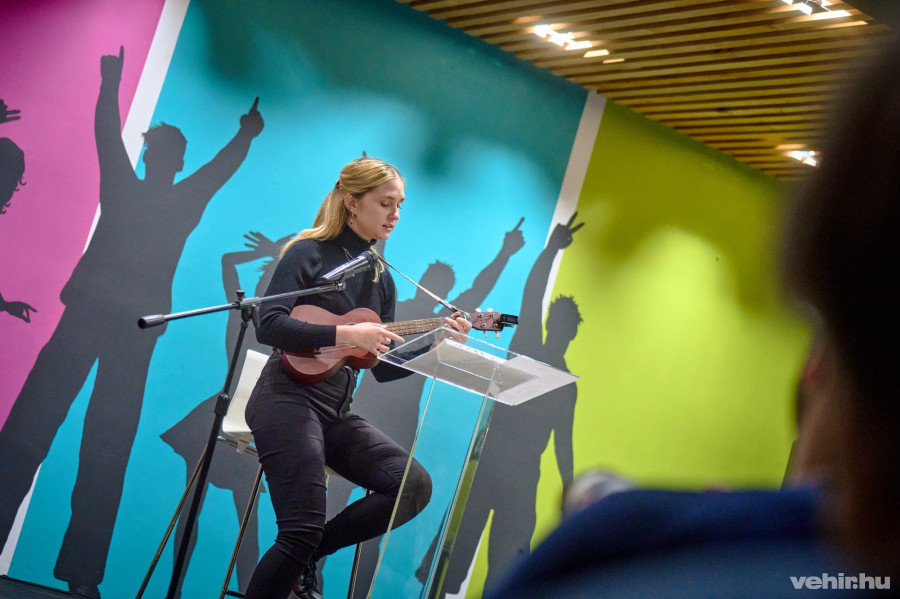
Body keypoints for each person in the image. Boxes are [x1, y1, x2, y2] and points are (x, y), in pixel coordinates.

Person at [0, 46, 263, 598]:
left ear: (156, 158)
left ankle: (83, 578)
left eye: (167, 150)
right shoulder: (175, 197)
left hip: (121, 326)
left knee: (61, 436)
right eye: (166, 150)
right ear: (164, 160)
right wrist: (245, 134)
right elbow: (214, 168)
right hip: (121, 327)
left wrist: (110, 82)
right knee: (88, 444)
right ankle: (83, 578)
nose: (165, 157)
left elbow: (110, 134)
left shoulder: (141, 189)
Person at [242, 157, 472, 599]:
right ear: (352, 202)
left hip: (333, 412)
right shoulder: (309, 252)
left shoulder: (382, 280)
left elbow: (382, 366)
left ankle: (313, 552)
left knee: (412, 486)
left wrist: (439, 343)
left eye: (400, 205)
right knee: (299, 528)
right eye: (386, 203)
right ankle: (305, 548)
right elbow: (268, 325)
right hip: (285, 399)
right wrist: (347, 333)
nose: (395, 215)